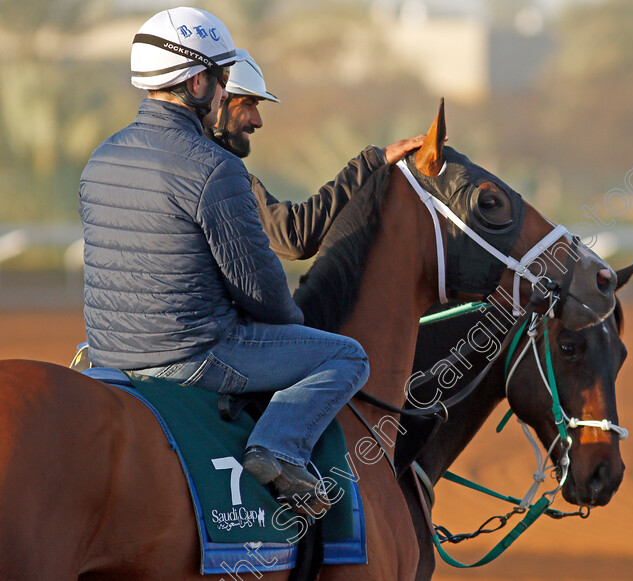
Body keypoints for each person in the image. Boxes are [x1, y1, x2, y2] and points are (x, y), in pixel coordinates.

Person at [77, 7, 414, 512]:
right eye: (219, 80)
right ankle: (277, 448)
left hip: (106, 356)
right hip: (193, 357)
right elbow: (262, 292)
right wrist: (296, 325)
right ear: (196, 83)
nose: (222, 93)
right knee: (346, 355)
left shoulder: (99, 158)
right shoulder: (216, 168)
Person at [204, 55, 424, 259]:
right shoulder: (216, 173)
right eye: (248, 104)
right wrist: (374, 161)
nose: (258, 121)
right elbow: (293, 237)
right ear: (218, 100)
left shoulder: (184, 159)